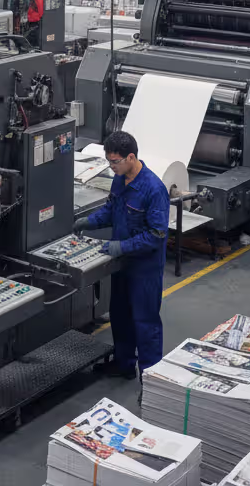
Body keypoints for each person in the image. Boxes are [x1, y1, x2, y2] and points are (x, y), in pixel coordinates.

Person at [72, 131, 170, 378]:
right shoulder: (119, 178)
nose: (111, 166)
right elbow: (111, 211)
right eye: (109, 161)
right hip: (122, 265)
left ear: (131, 157)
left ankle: (150, 380)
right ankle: (124, 364)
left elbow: (157, 235)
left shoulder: (153, 189)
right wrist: (88, 222)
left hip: (144, 268)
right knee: (120, 315)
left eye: (115, 162)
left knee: (145, 323)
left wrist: (122, 247)